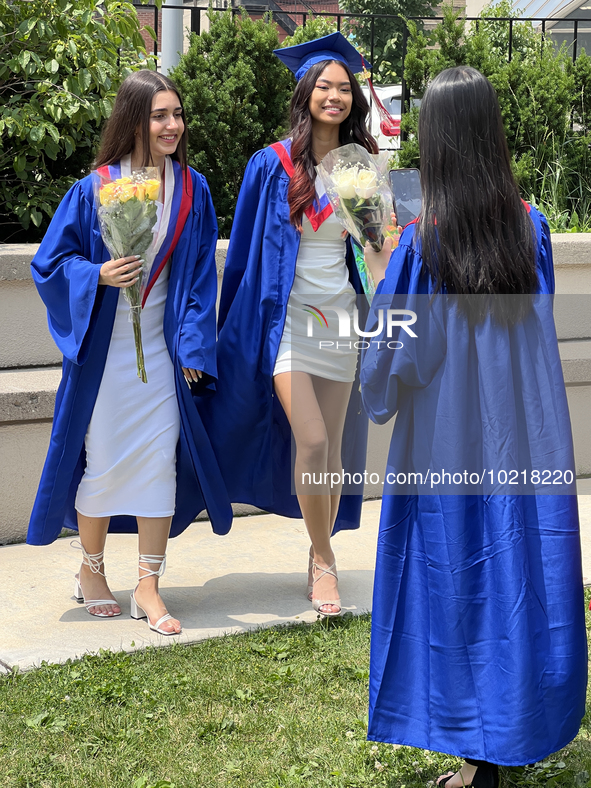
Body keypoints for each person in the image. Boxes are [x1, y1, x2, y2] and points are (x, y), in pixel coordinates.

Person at [361, 67, 587, 787]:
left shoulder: (420, 243)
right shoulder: (531, 228)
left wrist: (378, 266)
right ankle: (510, 733)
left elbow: (393, 363)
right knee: (517, 575)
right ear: (490, 133)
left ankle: (476, 758)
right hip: (522, 436)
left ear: (434, 138)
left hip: (446, 442)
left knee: (452, 580)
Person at [28, 70, 232, 635]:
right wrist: (98, 273)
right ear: (133, 120)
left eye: (177, 114)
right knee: (105, 459)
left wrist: (193, 344)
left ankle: (148, 583)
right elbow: (49, 265)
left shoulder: (192, 188)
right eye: (159, 115)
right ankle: (91, 570)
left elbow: (196, 281)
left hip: (161, 353)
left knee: (157, 460)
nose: (172, 126)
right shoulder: (95, 187)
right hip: (104, 353)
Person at [198, 33, 377, 617]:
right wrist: (232, 330)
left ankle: (317, 552)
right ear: (306, 93)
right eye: (324, 86)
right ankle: (323, 557)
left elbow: (376, 257)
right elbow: (246, 252)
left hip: (341, 321)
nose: (335, 96)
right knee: (314, 439)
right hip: (286, 325)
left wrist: (377, 232)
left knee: (336, 452)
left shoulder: (361, 169)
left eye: (344, 87)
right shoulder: (271, 165)